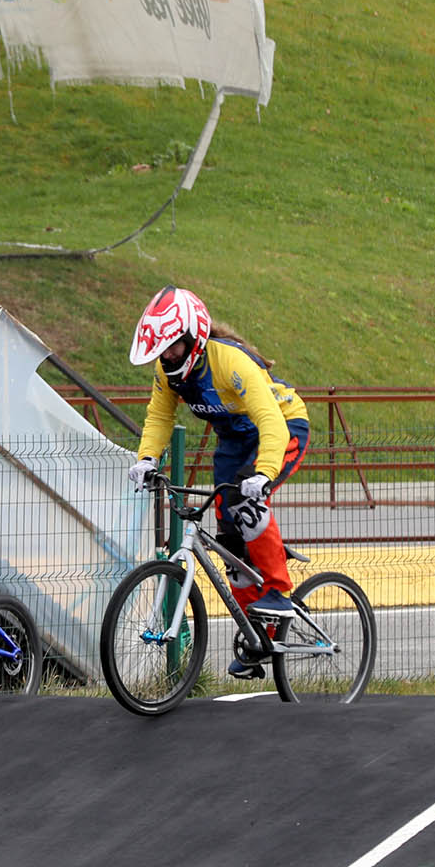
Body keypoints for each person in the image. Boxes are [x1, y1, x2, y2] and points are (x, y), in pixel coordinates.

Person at [126, 286, 310, 678]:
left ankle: (279, 592)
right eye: (161, 349)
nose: (167, 356)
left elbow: (270, 421)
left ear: (194, 336)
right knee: (229, 541)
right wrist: (146, 459)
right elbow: (159, 418)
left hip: (283, 427)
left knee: (247, 507)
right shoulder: (168, 374)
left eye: (173, 347)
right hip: (234, 440)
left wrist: (264, 474)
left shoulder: (229, 362)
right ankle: (257, 637)